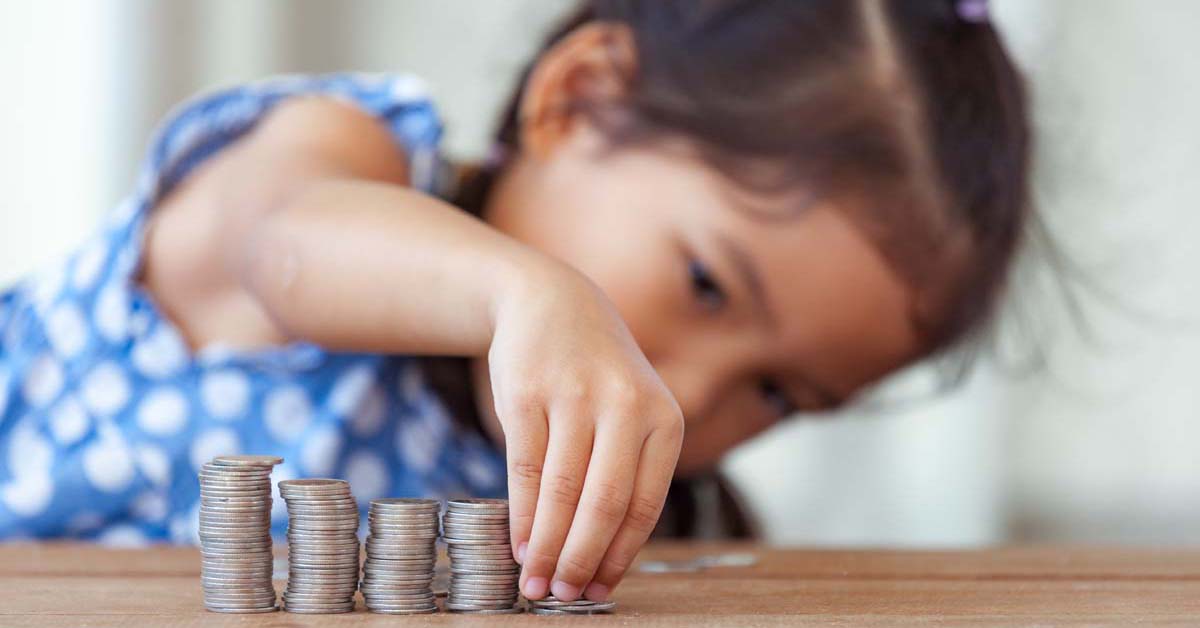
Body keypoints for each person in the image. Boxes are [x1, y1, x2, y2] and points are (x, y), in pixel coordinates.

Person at [0, 0, 1030, 604]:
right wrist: (522, 291)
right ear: (575, 99)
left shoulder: (584, 513)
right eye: (706, 282)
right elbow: (285, 241)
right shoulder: (351, 157)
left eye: (778, 392)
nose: (692, 393)